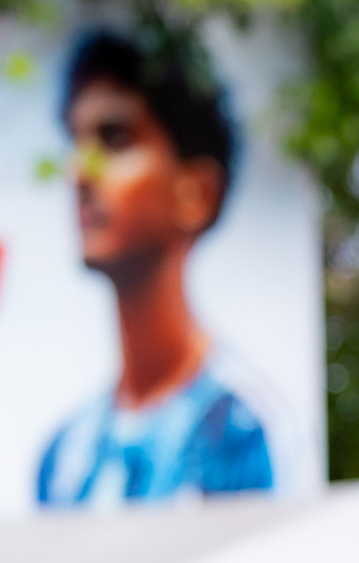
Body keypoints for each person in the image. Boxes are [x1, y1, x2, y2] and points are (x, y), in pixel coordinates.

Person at [37, 28, 277, 508]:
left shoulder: (242, 430)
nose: (81, 172)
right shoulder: (65, 457)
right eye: (76, 140)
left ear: (196, 192)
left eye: (116, 139)